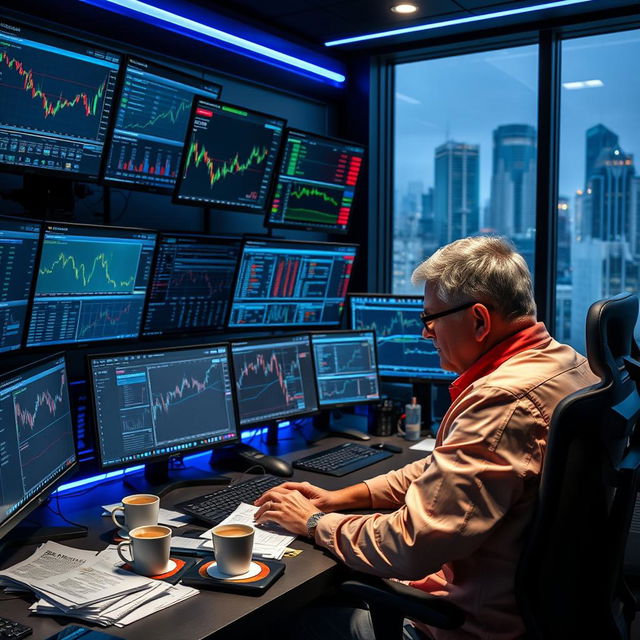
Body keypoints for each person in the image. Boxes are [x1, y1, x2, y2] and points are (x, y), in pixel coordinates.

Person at [254, 236, 599, 639]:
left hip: (474, 627)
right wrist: (344, 497)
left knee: (281, 624)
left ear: (479, 320)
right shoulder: (570, 365)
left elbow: (411, 544)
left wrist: (314, 522)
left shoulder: (501, 400)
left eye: (430, 318)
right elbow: (444, 464)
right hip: (537, 612)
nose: (425, 334)